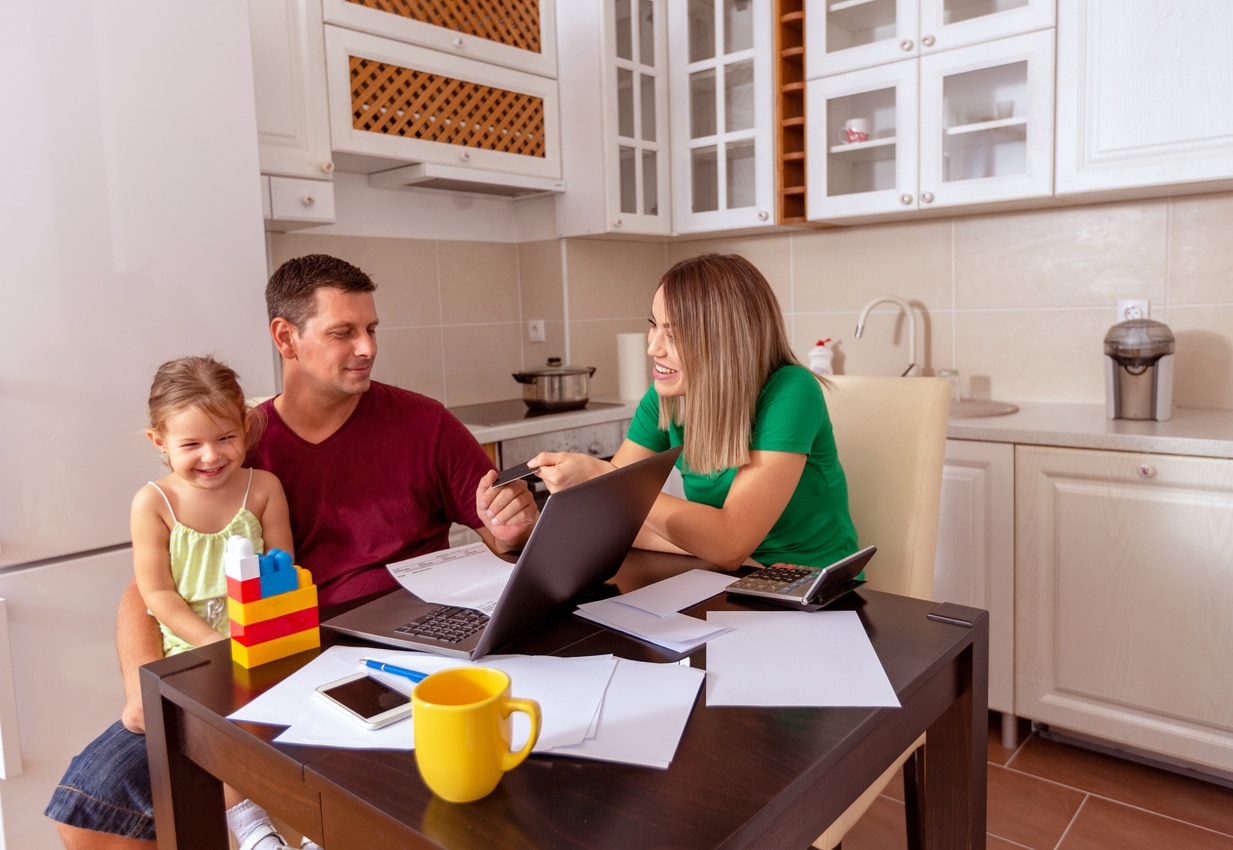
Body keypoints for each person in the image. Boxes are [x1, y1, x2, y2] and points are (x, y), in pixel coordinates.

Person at [46, 255, 538, 850]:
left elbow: (503, 536)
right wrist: (140, 685)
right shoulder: (230, 441)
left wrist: (512, 524)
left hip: (403, 654)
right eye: (342, 332)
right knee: (85, 824)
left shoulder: (424, 423)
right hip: (264, 659)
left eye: (372, 330)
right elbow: (151, 587)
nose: (366, 348)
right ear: (286, 337)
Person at [531, 252, 857, 570]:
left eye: (672, 334)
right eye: (654, 326)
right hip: (734, 574)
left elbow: (728, 541)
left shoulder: (791, 392)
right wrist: (719, 550)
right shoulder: (669, 396)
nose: (653, 348)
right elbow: (613, 522)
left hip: (814, 590)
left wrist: (601, 478)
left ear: (724, 341)